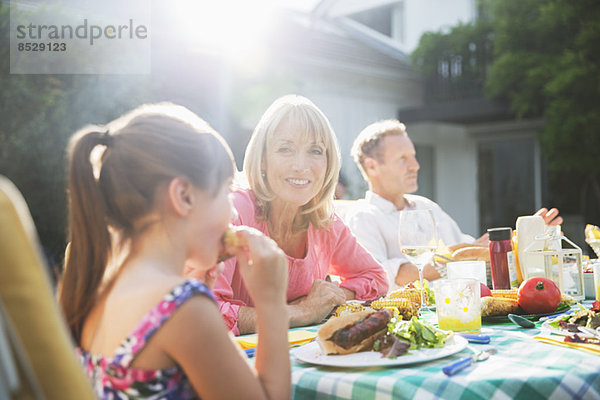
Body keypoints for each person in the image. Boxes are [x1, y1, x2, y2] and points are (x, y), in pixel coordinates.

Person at [58, 103, 291, 399]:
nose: (233, 213)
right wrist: (271, 303)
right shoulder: (182, 309)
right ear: (183, 196)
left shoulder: (96, 288)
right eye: (226, 191)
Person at [205, 95, 388, 335]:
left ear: (328, 162)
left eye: (315, 150)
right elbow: (207, 311)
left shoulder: (324, 222)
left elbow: (375, 278)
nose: (301, 165)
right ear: (262, 160)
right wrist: (301, 312)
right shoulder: (235, 212)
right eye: (285, 149)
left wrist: (330, 297)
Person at [347, 119, 563, 289]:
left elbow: (473, 250)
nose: (415, 165)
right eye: (402, 159)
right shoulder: (363, 217)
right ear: (372, 166)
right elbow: (381, 277)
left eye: (413, 156)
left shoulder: (426, 207)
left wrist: (524, 238)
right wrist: (454, 257)